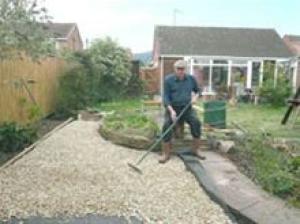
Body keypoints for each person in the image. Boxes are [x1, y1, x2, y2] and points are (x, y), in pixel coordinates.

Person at [159, 60, 206, 163]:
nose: (180, 71)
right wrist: (171, 111)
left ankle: (196, 149)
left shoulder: (191, 79)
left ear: (185, 69)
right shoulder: (168, 80)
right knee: (167, 125)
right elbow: (166, 98)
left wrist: (195, 97)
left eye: (182, 69)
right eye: (178, 69)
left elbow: (198, 90)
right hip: (172, 108)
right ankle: (166, 153)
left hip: (187, 108)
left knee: (196, 122)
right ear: (174, 69)